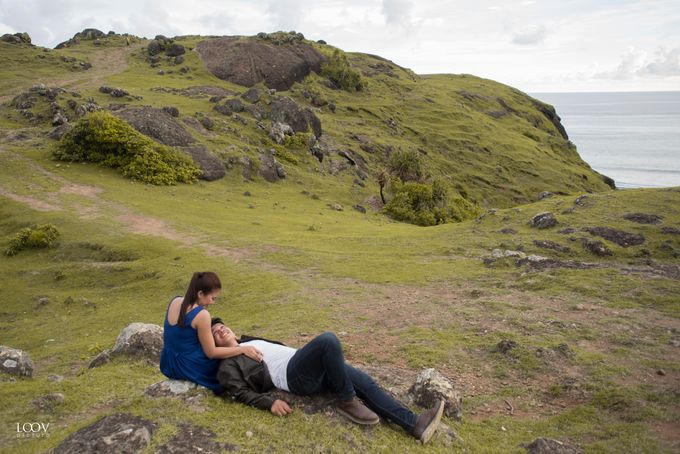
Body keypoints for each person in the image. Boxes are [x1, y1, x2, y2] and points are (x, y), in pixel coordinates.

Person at [211, 318, 445, 444]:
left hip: (308, 365)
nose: (220, 330)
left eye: (222, 326)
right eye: (215, 333)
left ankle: (414, 424)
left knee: (365, 383)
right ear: (214, 346)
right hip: (294, 377)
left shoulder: (248, 341)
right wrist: (269, 402)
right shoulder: (227, 364)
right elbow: (238, 391)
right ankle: (346, 401)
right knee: (328, 340)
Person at [159, 271, 264, 395]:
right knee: (230, 362)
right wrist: (242, 350)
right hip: (187, 366)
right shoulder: (202, 315)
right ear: (200, 294)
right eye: (212, 298)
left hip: (168, 362)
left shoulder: (175, 301)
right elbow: (211, 353)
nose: (212, 302)